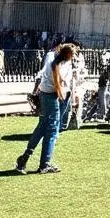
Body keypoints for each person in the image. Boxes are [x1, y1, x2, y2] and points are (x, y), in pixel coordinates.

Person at [16, 43, 75, 174]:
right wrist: (62, 96)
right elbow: (60, 84)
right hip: (53, 95)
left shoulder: (54, 62)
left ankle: (25, 157)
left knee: (42, 127)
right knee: (52, 129)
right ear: (68, 55)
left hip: (46, 94)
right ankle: (44, 164)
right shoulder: (60, 65)